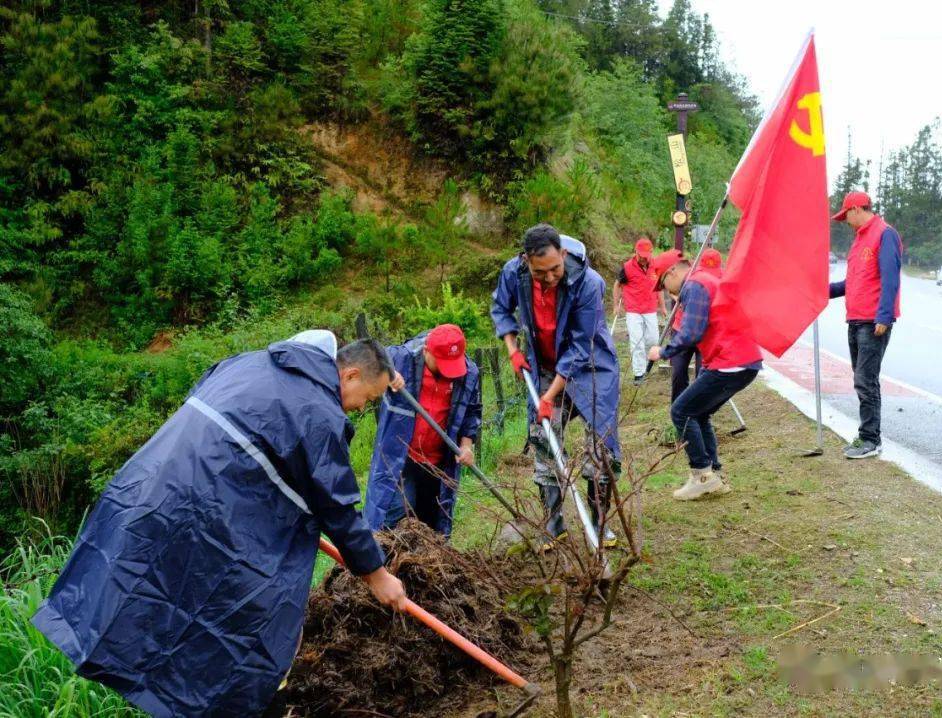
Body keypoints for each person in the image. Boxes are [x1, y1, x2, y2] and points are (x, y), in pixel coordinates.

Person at [32, 330, 407, 717]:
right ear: (349, 376)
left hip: (146, 496)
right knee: (257, 622)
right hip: (206, 516)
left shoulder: (245, 364)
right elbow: (338, 506)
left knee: (149, 604)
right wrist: (377, 575)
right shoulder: (318, 409)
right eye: (370, 399)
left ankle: (167, 697)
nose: (362, 408)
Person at [491, 223, 621, 549]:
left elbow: (579, 347)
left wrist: (548, 396)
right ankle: (554, 520)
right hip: (546, 366)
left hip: (592, 367)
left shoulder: (588, 283)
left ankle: (598, 521)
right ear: (525, 261)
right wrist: (513, 349)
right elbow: (500, 307)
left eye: (555, 269)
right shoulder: (515, 273)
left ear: (563, 254)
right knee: (544, 439)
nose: (550, 278)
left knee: (600, 448)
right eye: (540, 273)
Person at [648, 250, 762, 500]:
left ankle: (702, 474)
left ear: (673, 272)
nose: (667, 291)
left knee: (680, 411)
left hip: (730, 360)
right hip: (742, 360)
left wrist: (663, 351)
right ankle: (714, 474)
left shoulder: (695, 285)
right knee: (699, 413)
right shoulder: (703, 279)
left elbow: (691, 332)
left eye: (664, 283)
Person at [364, 324, 482, 538]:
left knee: (432, 526)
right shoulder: (400, 359)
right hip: (401, 458)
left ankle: (423, 570)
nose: (450, 371)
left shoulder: (469, 373)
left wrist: (466, 446)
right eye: (444, 364)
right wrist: (387, 375)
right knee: (394, 519)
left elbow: (472, 412)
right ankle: (382, 567)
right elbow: (364, 359)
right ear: (427, 351)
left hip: (439, 463)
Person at [828, 191, 903, 459]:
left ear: (857, 209)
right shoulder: (859, 240)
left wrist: (884, 316)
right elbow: (854, 283)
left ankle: (870, 439)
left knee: (865, 380)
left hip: (873, 321)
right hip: (855, 318)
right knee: (861, 378)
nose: (846, 221)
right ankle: (868, 436)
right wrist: (824, 290)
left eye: (846, 215)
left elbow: (890, 278)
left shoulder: (885, 234)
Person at [669, 247, 723, 402]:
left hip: (706, 335)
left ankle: (699, 412)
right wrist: (679, 298)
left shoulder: (722, 278)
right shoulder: (689, 274)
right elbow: (671, 287)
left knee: (703, 374)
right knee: (678, 372)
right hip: (682, 329)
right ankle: (678, 409)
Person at [613, 237, 667, 384]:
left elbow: (659, 287)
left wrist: (662, 306)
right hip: (633, 310)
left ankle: (646, 364)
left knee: (653, 340)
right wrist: (616, 305)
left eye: (646, 256)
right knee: (637, 342)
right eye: (641, 256)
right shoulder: (627, 267)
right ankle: (639, 374)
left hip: (650, 308)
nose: (643, 259)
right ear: (635, 252)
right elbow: (617, 285)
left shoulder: (655, 265)